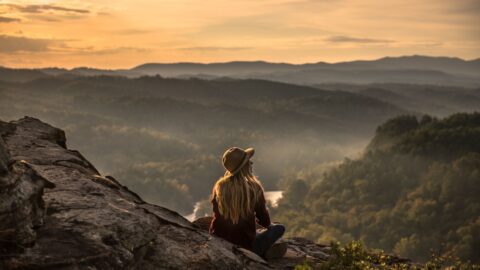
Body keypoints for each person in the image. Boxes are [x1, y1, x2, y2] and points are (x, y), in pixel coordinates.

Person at [209, 147, 287, 259]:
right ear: (244, 166)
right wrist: (267, 225)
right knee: (279, 228)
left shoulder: (220, 187)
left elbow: (216, 214)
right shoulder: (254, 188)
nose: (251, 162)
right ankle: (263, 254)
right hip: (246, 247)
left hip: (220, 242)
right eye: (248, 161)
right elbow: (264, 221)